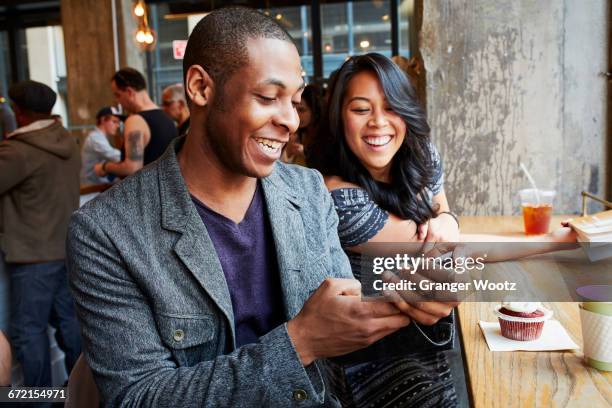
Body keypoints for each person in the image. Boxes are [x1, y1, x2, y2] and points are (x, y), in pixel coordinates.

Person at [66, 8, 457, 407]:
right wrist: (298, 343)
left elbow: (344, 333)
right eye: (269, 97)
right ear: (201, 87)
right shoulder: (106, 231)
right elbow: (137, 397)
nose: (289, 120)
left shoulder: (307, 191)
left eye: (296, 100)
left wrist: (416, 307)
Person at [313, 53, 578, 407]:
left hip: (432, 338)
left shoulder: (420, 158)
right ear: (339, 117)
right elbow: (450, 249)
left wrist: (447, 219)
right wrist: (552, 242)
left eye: (391, 108)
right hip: (372, 360)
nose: (378, 122)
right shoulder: (338, 196)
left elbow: (445, 221)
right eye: (361, 109)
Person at [0, 80, 81, 388]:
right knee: (70, 325)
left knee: (28, 331)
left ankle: (39, 401)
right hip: (66, 248)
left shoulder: (18, 151)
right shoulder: (67, 140)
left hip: (33, 254)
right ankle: (83, 396)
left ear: (19, 112)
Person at [94, 67, 178, 179]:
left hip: (145, 193)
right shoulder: (167, 118)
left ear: (129, 92)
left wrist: (105, 167)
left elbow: (132, 167)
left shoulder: (135, 121)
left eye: (118, 95)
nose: (117, 101)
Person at [282, 84, 323, 166]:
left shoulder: (326, 137)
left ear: (315, 110)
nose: (296, 115)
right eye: (294, 109)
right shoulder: (296, 134)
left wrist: (306, 155)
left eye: (302, 110)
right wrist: (288, 151)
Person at [80, 106, 123, 185]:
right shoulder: (95, 138)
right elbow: (114, 156)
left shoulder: (101, 136)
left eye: (118, 122)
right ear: (103, 120)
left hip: (99, 185)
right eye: (114, 121)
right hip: (92, 189)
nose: (118, 125)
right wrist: (133, 158)